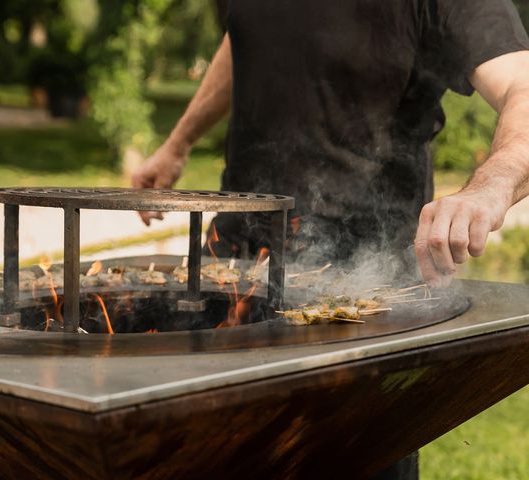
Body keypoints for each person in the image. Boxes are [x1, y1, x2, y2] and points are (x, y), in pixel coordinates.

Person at [132, 1, 529, 477]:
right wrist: (180, 142)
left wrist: (488, 189)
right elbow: (245, 37)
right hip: (234, 268)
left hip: (364, 295)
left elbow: (521, 86)